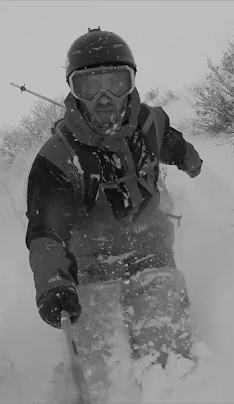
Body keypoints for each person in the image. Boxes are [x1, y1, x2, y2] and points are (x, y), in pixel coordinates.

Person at [25, 27, 203, 371]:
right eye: (90, 86)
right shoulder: (60, 157)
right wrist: (54, 282)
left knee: (165, 347)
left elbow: (171, 143)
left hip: (151, 248)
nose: (104, 98)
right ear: (74, 91)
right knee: (103, 361)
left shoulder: (151, 123)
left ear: (131, 84)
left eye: (115, 83)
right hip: (91, 265)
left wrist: (189, 160)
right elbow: (46, 231)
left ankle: (172, 386)